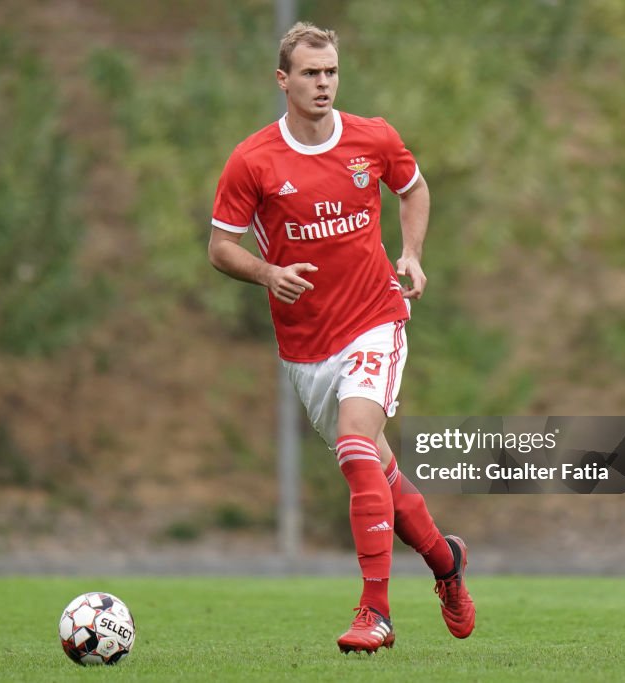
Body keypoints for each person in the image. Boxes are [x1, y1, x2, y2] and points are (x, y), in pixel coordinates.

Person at [208, 21, 475, 654]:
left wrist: (411, 254)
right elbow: (221, 246)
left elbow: (413, 189)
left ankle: (374, 613)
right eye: (309, 73)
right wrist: (268, 272)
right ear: (283, 80)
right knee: (375, 468)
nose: (323, 83)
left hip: (375, 317)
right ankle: (447, 562)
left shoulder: (372, 137)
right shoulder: (253, 161)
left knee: (356, 444)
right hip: (307, 348)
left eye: (330, 72)